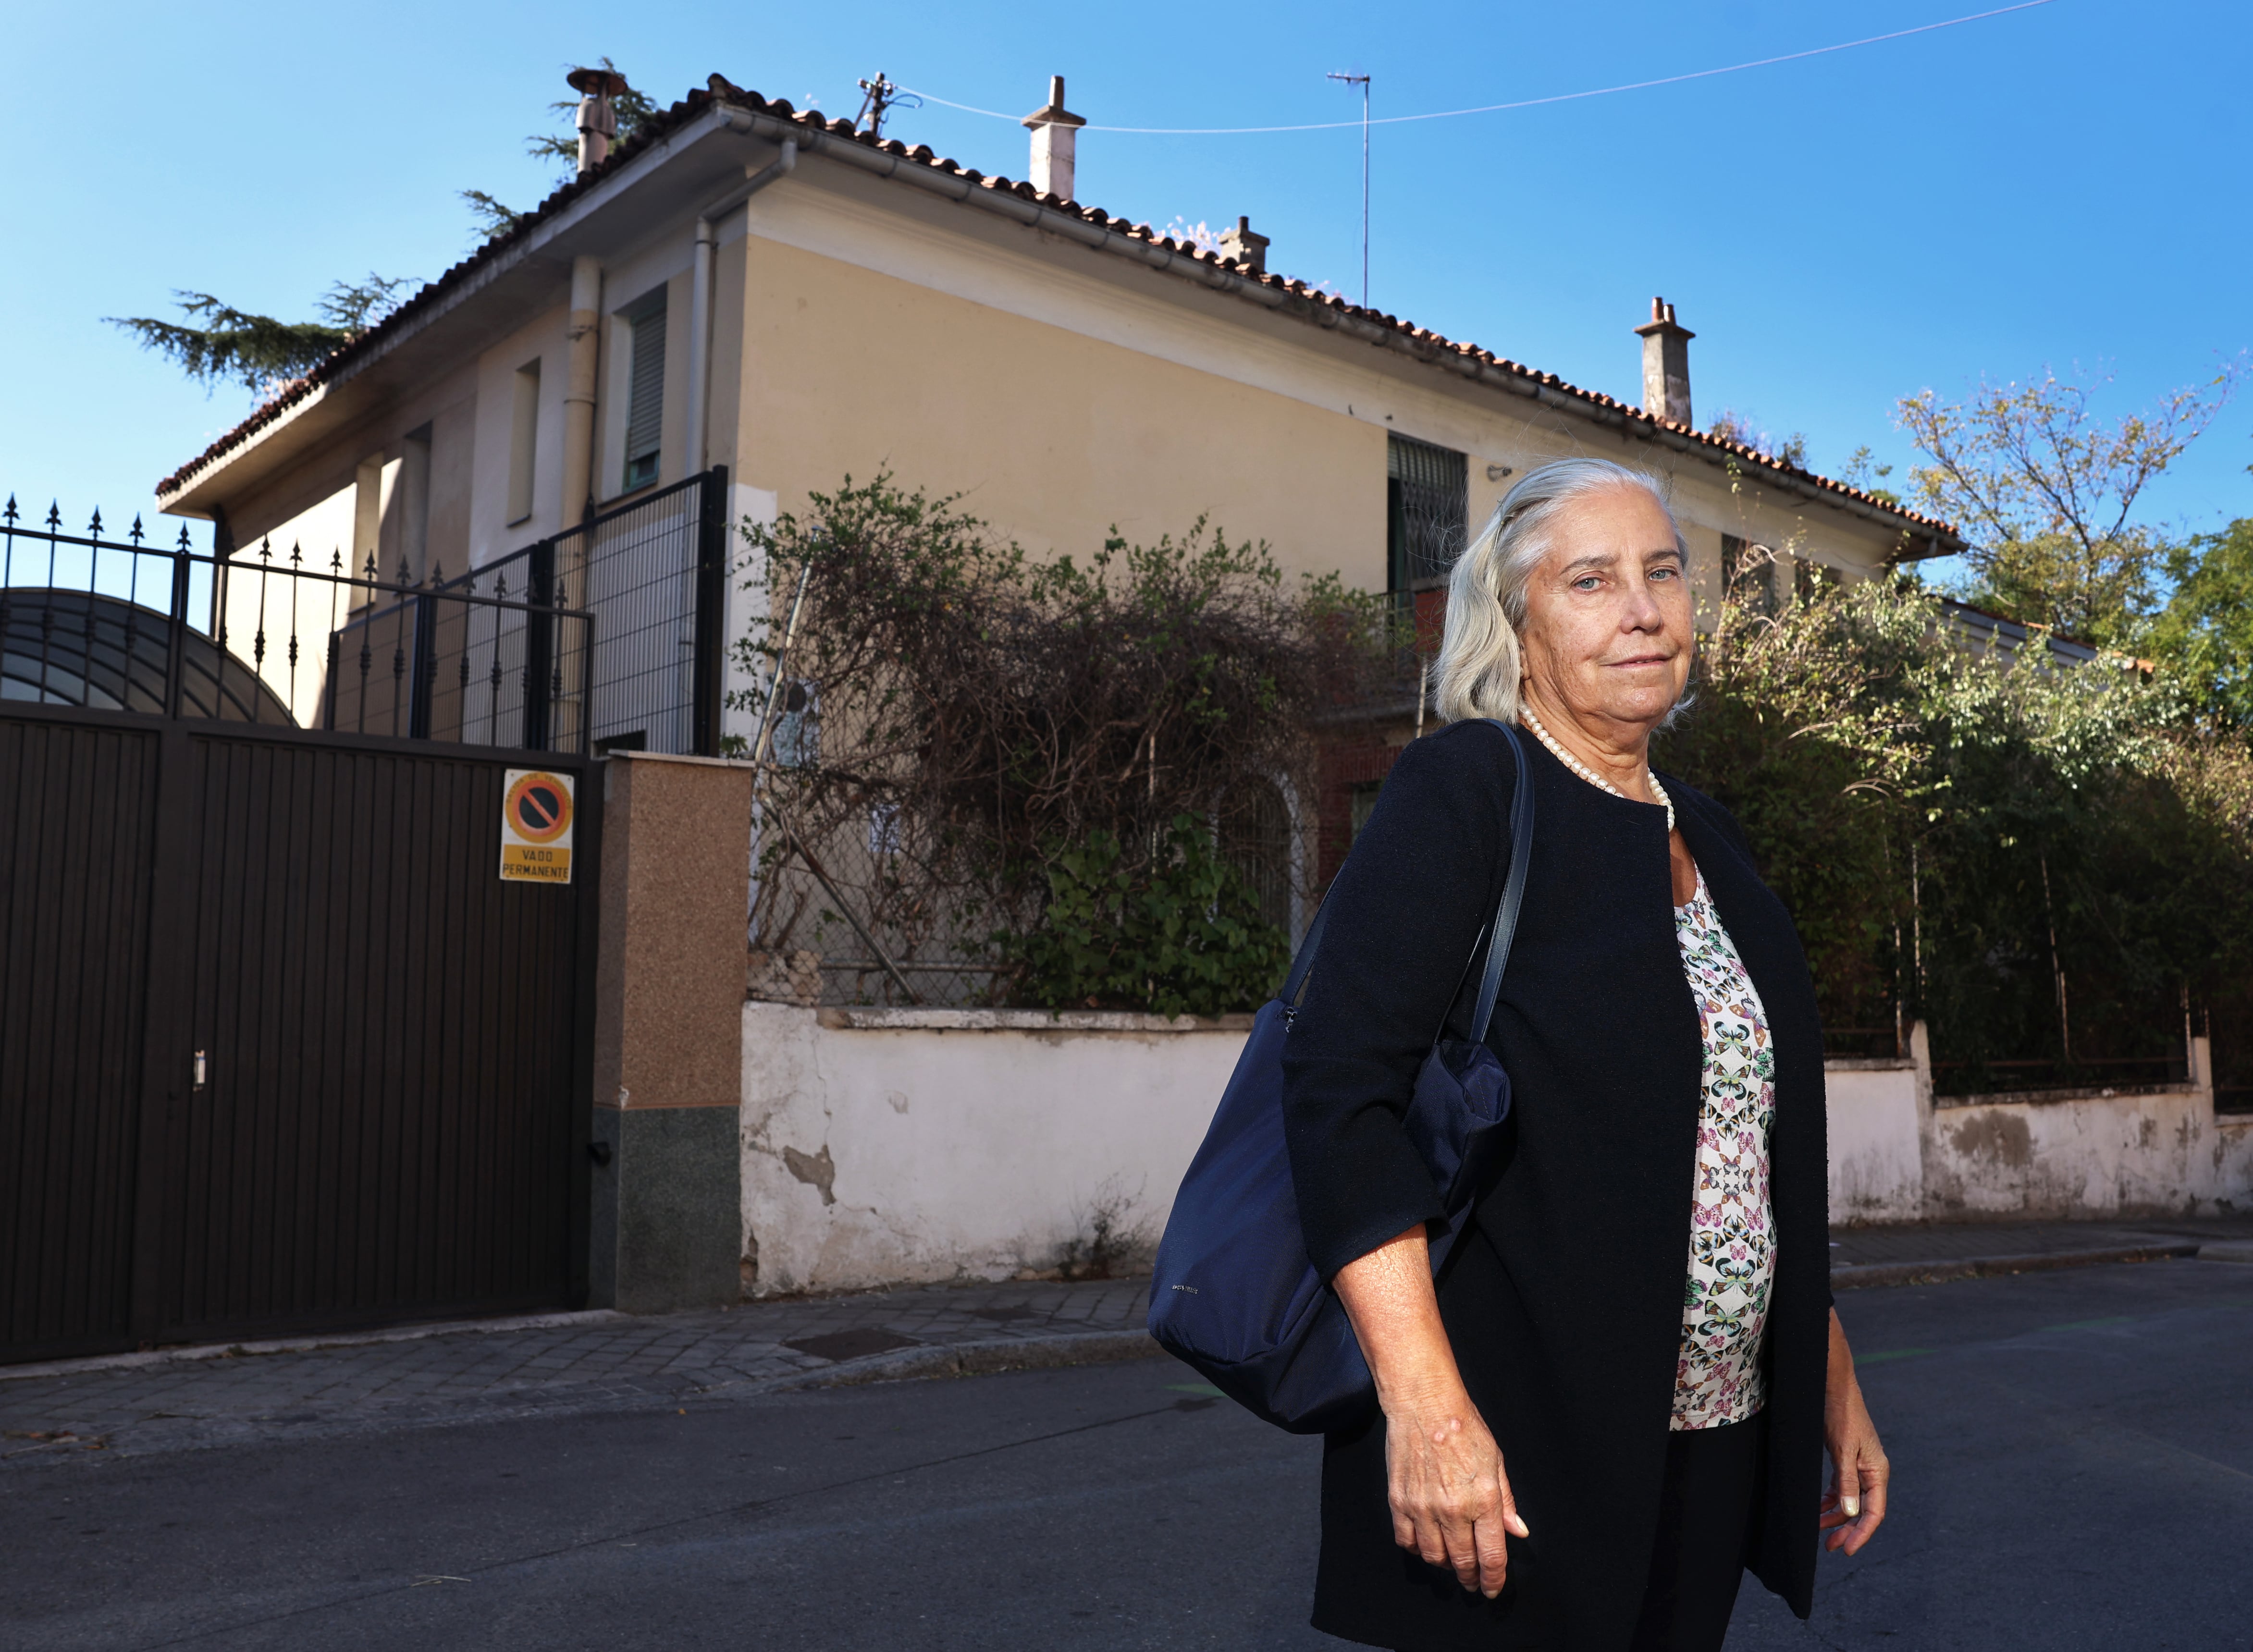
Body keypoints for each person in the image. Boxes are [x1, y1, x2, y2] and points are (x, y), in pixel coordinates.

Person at [1281, 458, 1888, 1651]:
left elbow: (1745, 1150)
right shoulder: (1466, 792)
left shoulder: (1706, 834)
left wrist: (1832, 1382)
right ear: (1517, 623)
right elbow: (1338, 1099)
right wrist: (1427, 1409)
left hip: (1713, 1438)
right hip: (1516, 1445)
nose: (1643, 609)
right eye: (1591, 579)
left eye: (1661, 571)